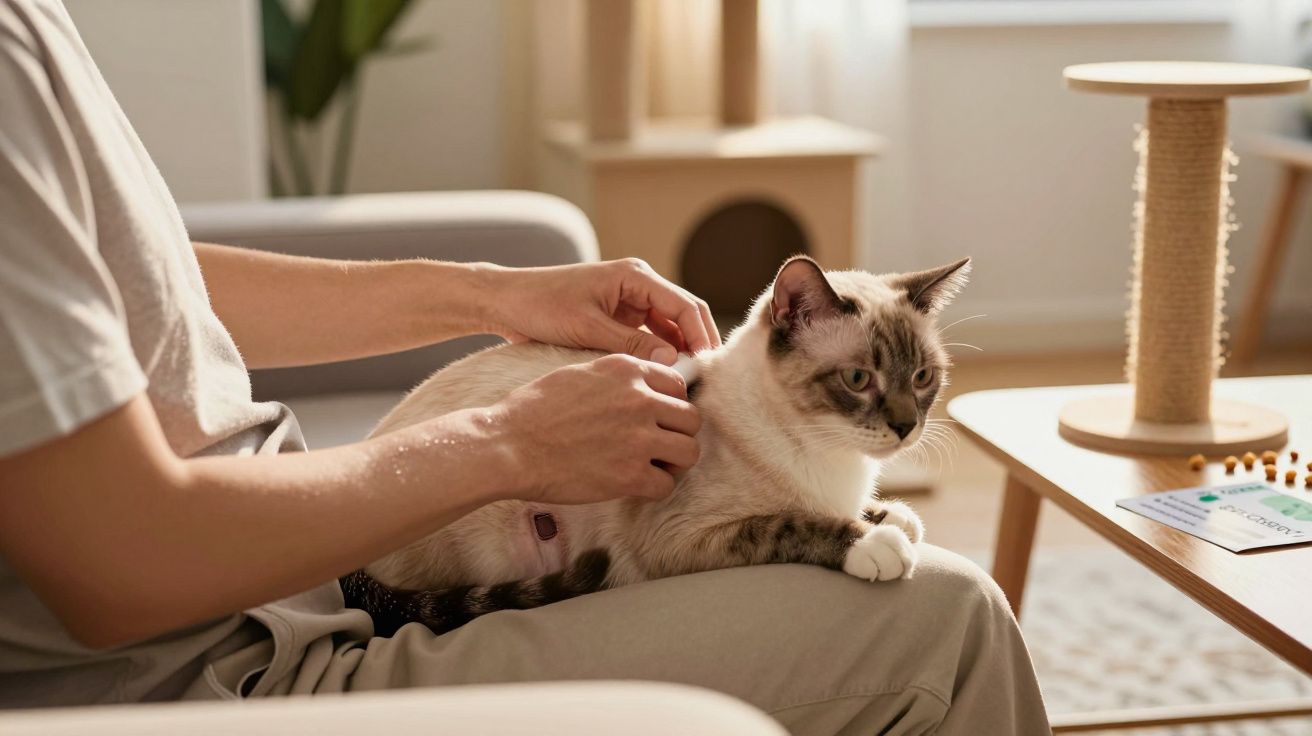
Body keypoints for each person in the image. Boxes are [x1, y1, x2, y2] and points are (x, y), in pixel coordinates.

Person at [0, 1, 1051, 732]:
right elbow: (117, 564)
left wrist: (486, 292)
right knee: (948, 624)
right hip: (238, 669)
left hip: (290, 592)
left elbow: (134, 281)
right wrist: (507, 442)